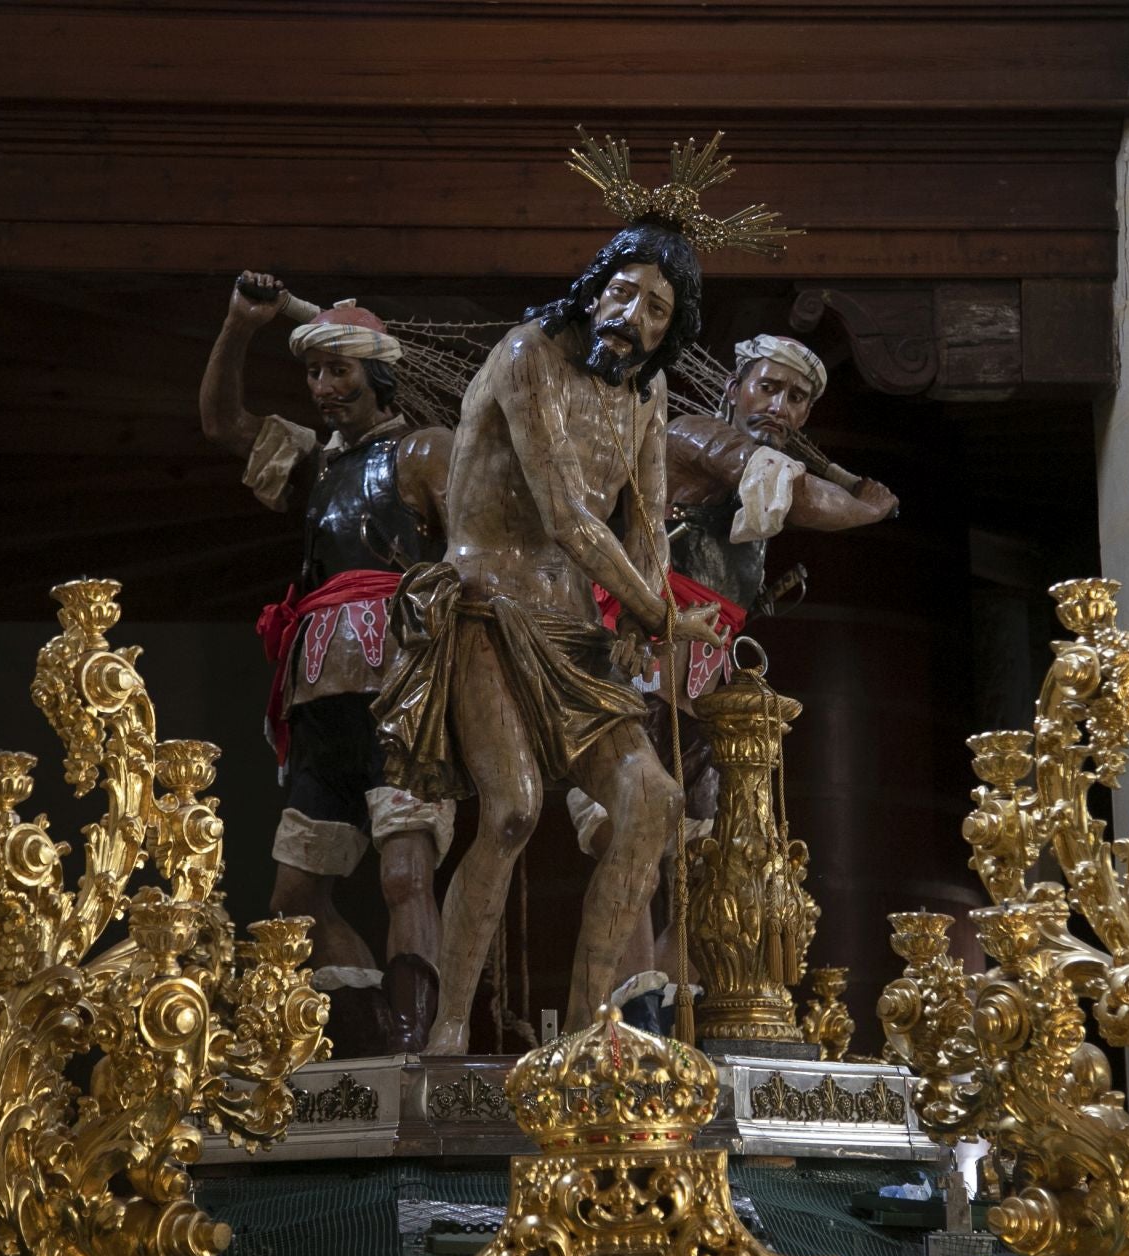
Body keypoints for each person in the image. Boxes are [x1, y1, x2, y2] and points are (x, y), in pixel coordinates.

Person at [374, 221, 727, 1053]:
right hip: (487, 606)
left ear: (669, 331)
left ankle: (582, 1042)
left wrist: (648, 601)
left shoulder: (647, 391)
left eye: (655, 309)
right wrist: (655, 614)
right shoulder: (529, 352)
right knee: (512, 809)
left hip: (573, 624)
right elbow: (566, 511)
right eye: (623, 289)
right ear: (595, 284)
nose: (631, 315)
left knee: (654, 803)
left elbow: (644, 515)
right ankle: (449, 1034)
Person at [568, 334, 900, 1022]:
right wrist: (866, 507)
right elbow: (798, 491)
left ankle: (673, 1012)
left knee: (707, 858)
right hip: (641, 653)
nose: (777, 405)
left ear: (807, 414)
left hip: (706, 676)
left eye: (796, 397)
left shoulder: (760, 461)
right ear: (734, 388)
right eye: (766, 387)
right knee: (628, 831)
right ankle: (629, 1016)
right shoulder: (701, 437)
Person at [198, 272, 453, 1054]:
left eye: (339, 370)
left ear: (377, 375)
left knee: (405, 875)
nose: (323, 388)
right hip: (320, 705)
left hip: (402, 695)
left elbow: (477, 546)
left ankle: (418, 1042)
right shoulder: (312, 463)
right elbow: (222, 421)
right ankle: (372, 1029)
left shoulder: (423, 452)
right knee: (296, 896)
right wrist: (242, 323)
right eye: (313, 372)